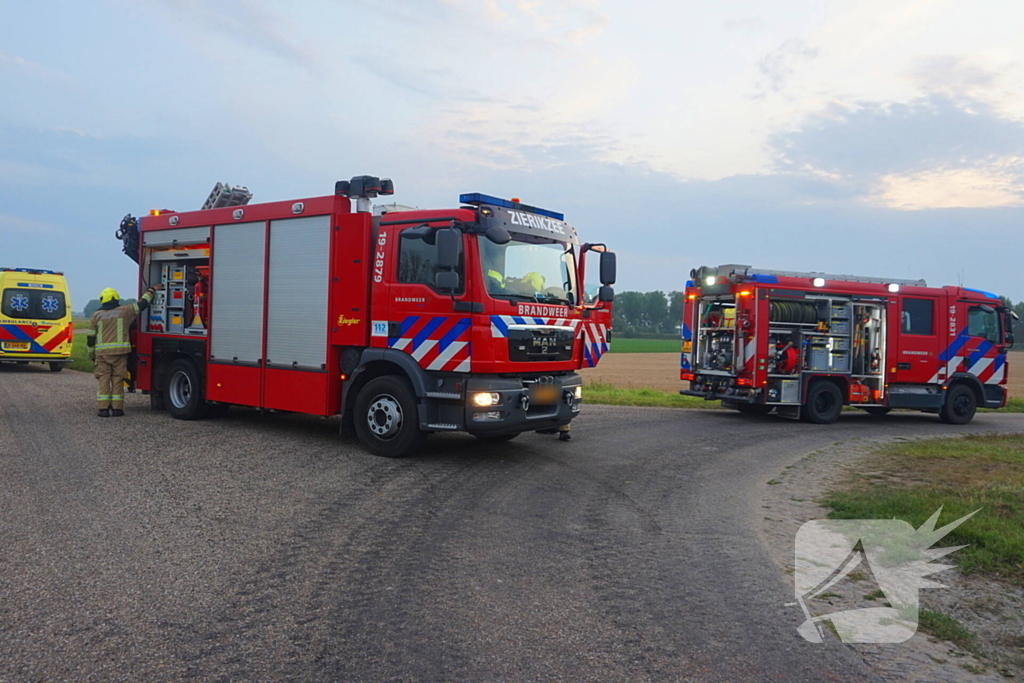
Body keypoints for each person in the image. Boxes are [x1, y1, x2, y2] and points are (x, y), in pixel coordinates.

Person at [84, 284, 161, 417]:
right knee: (118, 379)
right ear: (116, 298)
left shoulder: (96, 316)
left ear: (103, 299)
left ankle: (103, 409)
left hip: (102, 355)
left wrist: (91, 354)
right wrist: (152, 290)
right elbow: (142, 304)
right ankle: (117, 409)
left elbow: (90, 338)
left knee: (104, 379)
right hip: (120, 353)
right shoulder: (125, 311)